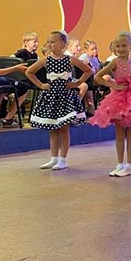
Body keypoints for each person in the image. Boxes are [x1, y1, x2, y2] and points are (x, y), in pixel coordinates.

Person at [88, 32, 131, 177]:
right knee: (119, 132)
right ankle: (120, 164)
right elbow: (98, 77)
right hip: (118, 99)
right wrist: (113, 85)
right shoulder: (115, 62)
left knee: (130, 132)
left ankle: (129, 164)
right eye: (118, 46)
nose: (120, 49)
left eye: (124, 46)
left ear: (130, 47)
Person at [26, 31, 91, 170]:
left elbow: (88, 71)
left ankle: (63, 159)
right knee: (53, 129)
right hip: (51, 96)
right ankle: (53, 158)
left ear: (63, 44)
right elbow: (29, 72)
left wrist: (77, 83)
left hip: (65, 97)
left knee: (63, 129)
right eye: (48, 42)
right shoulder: (46, 60)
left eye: (53, 42)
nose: (50, 44)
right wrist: (41, 85)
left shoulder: (70, 60)